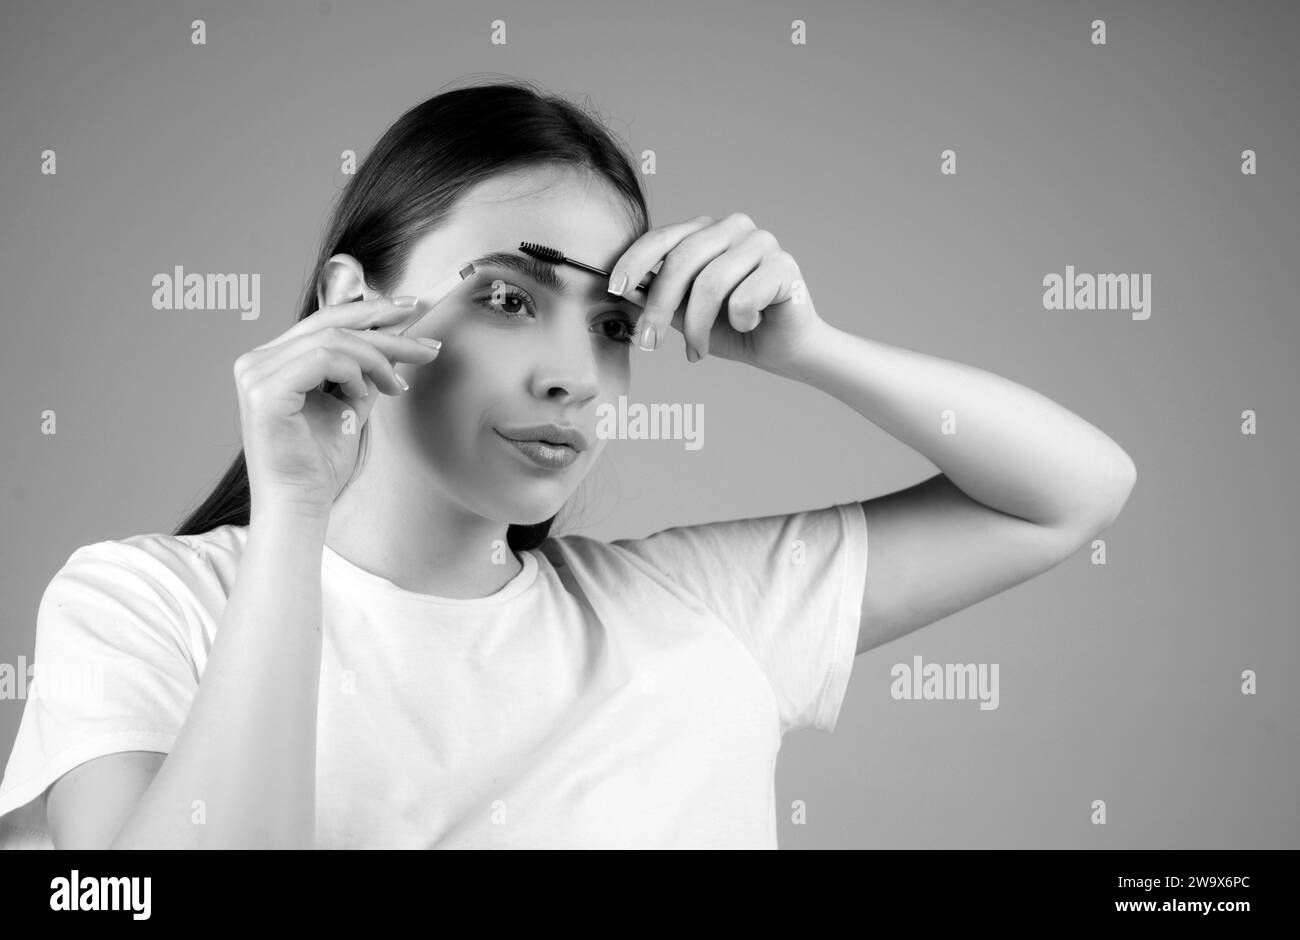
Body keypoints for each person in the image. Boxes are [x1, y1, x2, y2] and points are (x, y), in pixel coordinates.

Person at [0, 78, 1135, 849]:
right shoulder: (146, 604)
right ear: (354, 301)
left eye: (611, 325)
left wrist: (808, 347)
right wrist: (294, 509)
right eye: (505, 297)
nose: (575, 375)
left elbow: (1073, 492)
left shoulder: (704, 614)